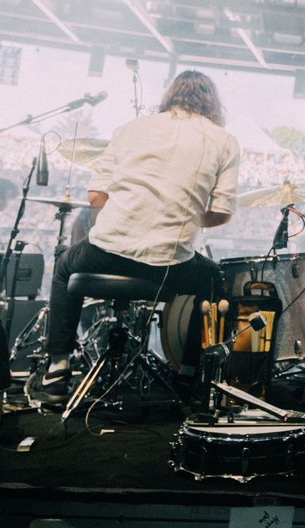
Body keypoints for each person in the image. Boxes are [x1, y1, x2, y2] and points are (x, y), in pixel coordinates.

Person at [34, 71, 241, 403]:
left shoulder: (129, 130)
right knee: (216, 283)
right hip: (170, 263)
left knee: (64, 265)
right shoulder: (225, 141)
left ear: (169, 95)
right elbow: (221, 213)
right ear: (213, 102)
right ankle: (190, 374)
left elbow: (95, 197)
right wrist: (181, 215)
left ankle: (58, 365)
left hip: (109, 249)